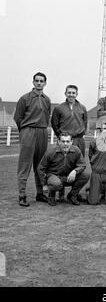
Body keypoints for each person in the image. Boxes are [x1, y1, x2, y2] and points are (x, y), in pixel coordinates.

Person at [13, 72, 51, 207]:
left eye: (42, 81)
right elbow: (18, 117)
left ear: (45, 83)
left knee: (41, 164)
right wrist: (24, 131)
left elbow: (47, 116)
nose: (39, 83)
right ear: (33, 82)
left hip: (42, 131)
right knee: (25, 163)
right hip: (28, 131)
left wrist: (43, 129)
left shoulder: (47, 99)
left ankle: (40, 193)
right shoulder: (25, 98)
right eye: (37, 81)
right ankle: (22, 194)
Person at [37, 132, 90, 206]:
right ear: (59, 142)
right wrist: (44, 184)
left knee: (86, 175)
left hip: (69, 176)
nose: (65, 144)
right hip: (54, 176)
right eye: (63, 141)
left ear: (71, 142)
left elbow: (82, 165)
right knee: (56, 183)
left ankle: (72, 195)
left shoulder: (76, 150)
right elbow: (41, 168)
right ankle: (51, 196)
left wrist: (75, 171)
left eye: (68, 141)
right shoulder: (51, 152)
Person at [51, 84, 87, 157]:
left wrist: (81, 133)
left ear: (76, 94)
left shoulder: (82, 108)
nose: (71, 95)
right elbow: (54, 124)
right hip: (64, 140)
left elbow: (85, 122)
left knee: (79, 162)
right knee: (62, 161)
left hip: (78, 139)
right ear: (65, 94)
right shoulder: (59, 108)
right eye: (69, 92)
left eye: (73, 93)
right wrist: (61, 135)